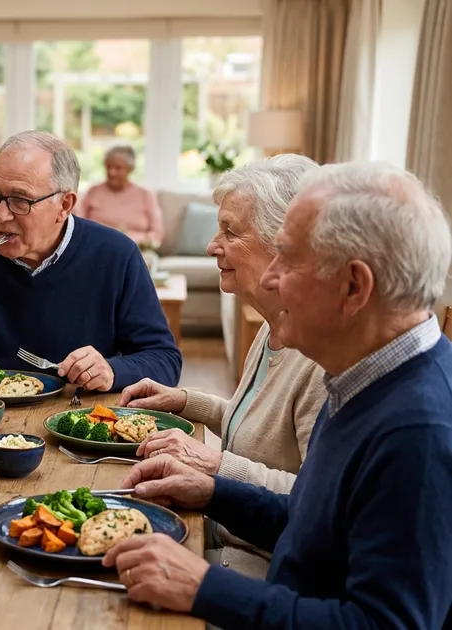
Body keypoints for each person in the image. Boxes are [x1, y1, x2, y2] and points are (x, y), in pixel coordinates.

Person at [104, 162, 452, 629]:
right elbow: (316, 523)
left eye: (289, 259)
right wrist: (213, 492)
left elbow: (382, 624)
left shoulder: (419, 431)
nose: (272, 279)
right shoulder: (358, 375)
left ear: (353, 287)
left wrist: (204, 588)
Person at [117, 155, 326, 578]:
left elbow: (313, 503)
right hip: (219, 528)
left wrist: (213, 466)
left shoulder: (321, 361)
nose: (213, 245)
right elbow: (256, 428)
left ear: (284, 244)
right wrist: (187, 401)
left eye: (230, 232)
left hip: (255, 562)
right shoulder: (273, 328)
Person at [0, 130, 181, 391]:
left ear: (65, 205)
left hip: (78, 417)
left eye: (21, 200)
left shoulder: (117, 254)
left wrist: (112, 370)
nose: (1, 215)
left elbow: (165, 360)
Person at [75, 145, 163, 245]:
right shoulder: (93, 192)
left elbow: (157, 234)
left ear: (130, 168)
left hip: (135, 248)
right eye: (108, 167)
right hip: (99, 246)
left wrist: (132, 239)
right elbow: (78, 226)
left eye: (118, 168)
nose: (111, 172)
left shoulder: (145, 195)